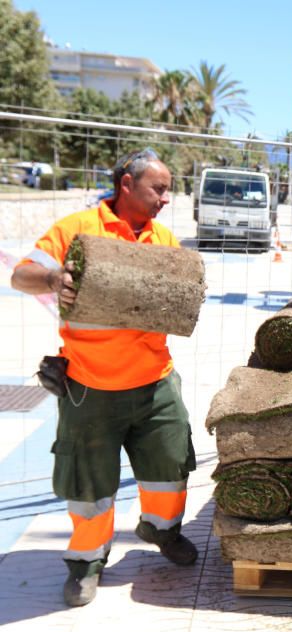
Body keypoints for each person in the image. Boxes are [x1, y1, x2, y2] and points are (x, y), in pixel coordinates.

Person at [10, 148, 197, 607]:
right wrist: (55, 278)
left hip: (155, 383)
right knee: (88, 484)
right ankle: (87, 563)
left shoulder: (164, 239)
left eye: (168, 189)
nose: (165, 198)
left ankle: (160, 530)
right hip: (90, 388)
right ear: (126, 185)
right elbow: (21, 275)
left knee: (170, 466)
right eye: (159, 188)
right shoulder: (77, 230)